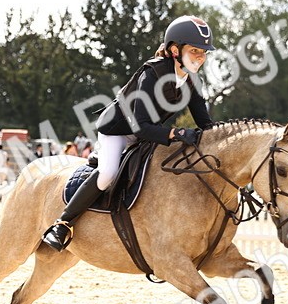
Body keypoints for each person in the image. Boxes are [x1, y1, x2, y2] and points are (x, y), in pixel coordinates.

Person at [41, 15, 217, 252]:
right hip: (119, 131)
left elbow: (205, 123)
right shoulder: (152, 72)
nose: (201, 57)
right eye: (195, 50)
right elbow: (140, 126)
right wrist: (176, 133)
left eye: (204, 52)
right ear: (175, 50)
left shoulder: (191, 80)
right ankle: (62, 224)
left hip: (148, 135)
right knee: (108, 174)